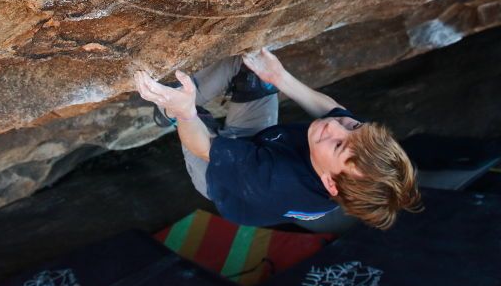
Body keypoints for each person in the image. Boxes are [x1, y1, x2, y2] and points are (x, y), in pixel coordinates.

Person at [133, 47, 422, 230]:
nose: (335, 126)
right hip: (262, 144)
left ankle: (166, 110)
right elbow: (332, 109)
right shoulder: (347, 155)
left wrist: (184, 112)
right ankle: (180, 99)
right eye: (354, 126)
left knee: (191, 112)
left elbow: (204, 147)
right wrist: (280, 77)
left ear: (330, 183)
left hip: (221, 178)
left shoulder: (275, 180)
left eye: (338, 144)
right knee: (251, 65)